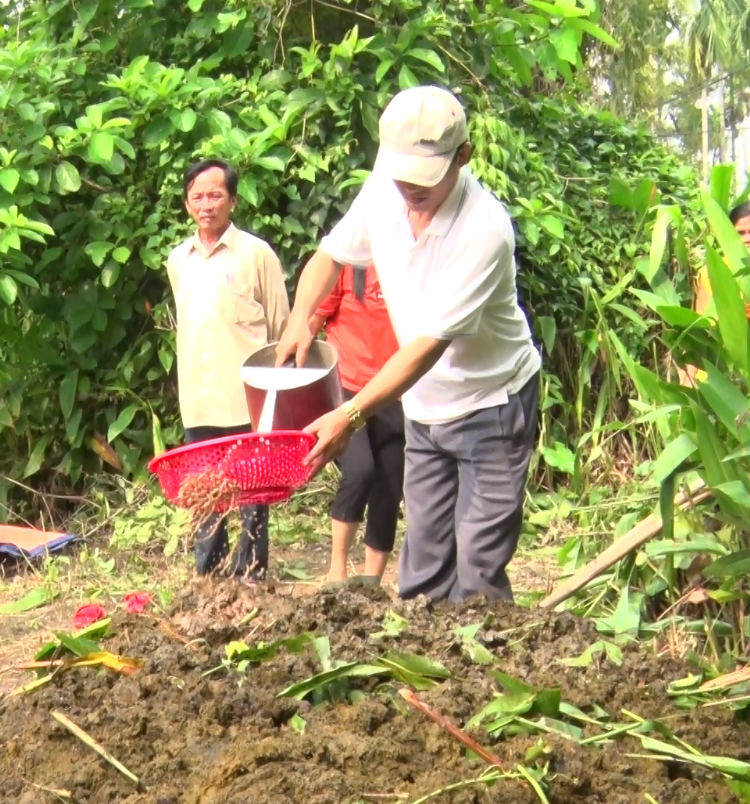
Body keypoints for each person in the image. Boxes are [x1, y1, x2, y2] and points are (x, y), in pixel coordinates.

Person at [275, 85, 542, 605]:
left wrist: (349, 415)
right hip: (423, 410)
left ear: (462, 156)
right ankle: (423, 673)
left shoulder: (484, 231)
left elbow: (426, 348)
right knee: (420, 563)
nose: (409, 189)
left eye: (424, 177)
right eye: (400, 174)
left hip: (491, 404)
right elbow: (331, 256)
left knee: (478, 565)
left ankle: (484, 676)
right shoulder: (385, 188)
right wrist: (299, 318)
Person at [166, 158, 291, 583]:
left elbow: (281, 330)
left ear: (233, 200)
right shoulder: (178, 260)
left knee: (252, 499)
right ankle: (209, 581)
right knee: (205, 500)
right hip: (199, 402)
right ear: (187, 204)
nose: (207, 204)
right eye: (197, 196)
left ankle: (252, 578)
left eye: (215, 195)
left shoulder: (256, 254)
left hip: (247, 402)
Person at [309, 263, 405, 589]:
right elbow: (314, 318)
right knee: (360, 469)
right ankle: (337, 570)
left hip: (395, 389)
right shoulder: (346, 263)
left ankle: (371, 581)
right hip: (346, 386)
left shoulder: (412, 260)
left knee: (390, 483)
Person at [679, 200, 750, 386]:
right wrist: (688, 378)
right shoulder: (712, 273)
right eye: (740, 233)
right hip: (721, 374)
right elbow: (700, 329)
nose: (748, 239)